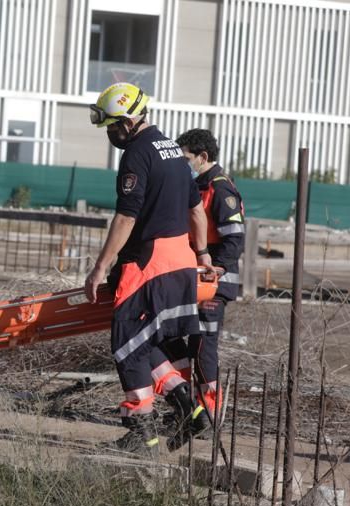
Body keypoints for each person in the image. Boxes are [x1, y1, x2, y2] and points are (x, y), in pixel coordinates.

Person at [84, 83, 212, 457]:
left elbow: (127, 216)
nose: (109, 134)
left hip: (149, 264)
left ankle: (141, 430)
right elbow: (196, 211)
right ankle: (190, 409)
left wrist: (99, 268)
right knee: (149, 340)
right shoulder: (173, 149)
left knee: (127, 343)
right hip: (182, 262)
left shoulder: (137, 154)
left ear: (126, 122)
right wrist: (202, 255)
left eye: (110, 126)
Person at [172, 128, 246, 437]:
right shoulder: (196, 186)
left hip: (215, 282)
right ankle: (188, 407)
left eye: (186, 158)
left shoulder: (220, 190)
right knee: (176, 339)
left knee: (203, 345)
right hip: (195, 280)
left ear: (203, 157)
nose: (181, 163)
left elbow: (234, 240)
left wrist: (214, 271)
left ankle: (209, 411)